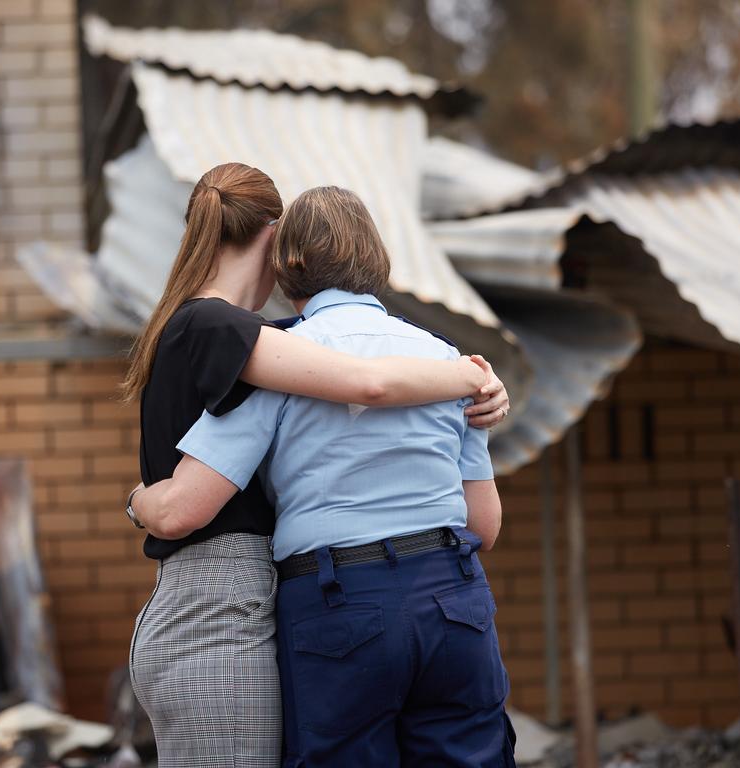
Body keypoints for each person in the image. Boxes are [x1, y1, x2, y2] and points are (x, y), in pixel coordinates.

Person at [122, 164, 510, 768]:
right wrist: (474, 377)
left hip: (337, 602)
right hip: (450, 596)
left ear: (288, 262)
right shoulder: (443, 363)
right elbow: (483, 527)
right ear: (378, 259)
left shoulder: (279, 361)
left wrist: (139, 498)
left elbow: (185, 504)